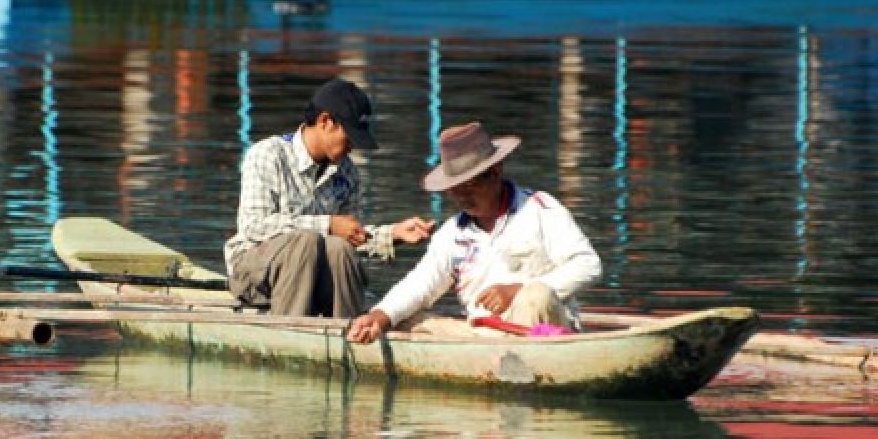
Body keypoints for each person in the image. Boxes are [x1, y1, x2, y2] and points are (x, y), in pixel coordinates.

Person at [347, 121, 602, 344]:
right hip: (483, 337)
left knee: (535, 295)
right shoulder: (451, 234)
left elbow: (588, 264)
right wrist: (380, 316)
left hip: (546, 334)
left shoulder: (539, 209)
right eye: (454, 188)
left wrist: (517, 290)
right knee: (404, 319)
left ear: (496, 171)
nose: (461, 196)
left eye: (469, 184)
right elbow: (421, 283)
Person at [224, 78, 434, 317]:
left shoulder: (348, 173)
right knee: (307, 242)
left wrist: (393, 234)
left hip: (312, 273)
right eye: (349, 138)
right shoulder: (267, 155)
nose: (352, 148)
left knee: (339, 248)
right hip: (253, 273)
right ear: (325, 122)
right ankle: (291, 333)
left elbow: (348, 236)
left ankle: (348, 334)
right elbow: (254, 227)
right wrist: (328, 225)